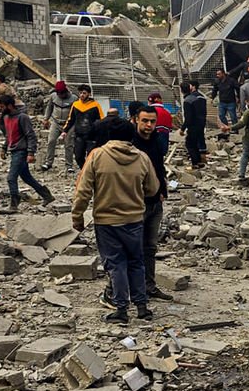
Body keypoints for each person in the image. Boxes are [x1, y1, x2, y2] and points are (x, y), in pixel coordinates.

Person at [72, 118, 160, 324]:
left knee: (115, 264)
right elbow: (153, 189)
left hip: (106, 221)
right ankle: (142, 307)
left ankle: (121, 309)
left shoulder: (97, 156)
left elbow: (83, 191)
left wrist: (77, 217)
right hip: (134, 219)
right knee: (136, 262)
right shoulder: (142, 158)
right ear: (131, 136)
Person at [102, 103, 171, 308]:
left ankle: (148, 286)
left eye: (152, 121)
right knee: (128, 250)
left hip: (154, 203)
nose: (149, 125)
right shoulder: (130, 144)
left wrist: (162, 192)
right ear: (135, 120)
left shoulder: (158, 140)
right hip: (133, 205)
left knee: (149, 247)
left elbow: (159, 169)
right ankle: (114, 291)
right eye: (145, 121)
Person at [0, 94, 54, 213]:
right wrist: (4, 148)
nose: (0, 109)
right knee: (27, 177)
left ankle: (14, 204)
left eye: (2, 107)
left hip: (21, 151)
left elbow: (31, 135)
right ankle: (47, 196)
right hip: (14, 151)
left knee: (11, 178)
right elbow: (8, 135)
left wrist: (30, 153)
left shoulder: (22, 117)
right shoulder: (6, 118)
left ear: (9, 106)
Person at [62, 84, 104, 172]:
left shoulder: (95, 105)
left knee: (91, 156)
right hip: (79, 135)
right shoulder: (76, 104)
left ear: (89, 94)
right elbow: (70, 119)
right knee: (78, 156)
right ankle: (85, 171)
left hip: (91, 136)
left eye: (84, 93)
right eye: (80, 93)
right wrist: (65, 131)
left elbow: (101, 120)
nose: (82, 95)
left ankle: (90, 172)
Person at [41, 81, 75, 172]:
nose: (60, 95)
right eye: (58, 93)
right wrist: (46, 119)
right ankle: (48, 163)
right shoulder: (53, 97)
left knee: (68, 144)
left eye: (62, 93)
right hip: (56, 122)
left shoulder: (74, 99)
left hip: (68, 124)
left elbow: (76, 113)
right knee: (51, 141)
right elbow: (49, 108)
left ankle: (69, 165)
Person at [179, 80, 208, 168]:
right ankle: (199, 161)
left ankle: (195, 163)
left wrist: (183, 128)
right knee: (195, 143)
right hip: (201, 123)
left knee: (190, 144)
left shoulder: (188, 101)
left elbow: (188, 117)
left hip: (193, 125)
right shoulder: (197, 98)